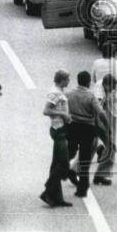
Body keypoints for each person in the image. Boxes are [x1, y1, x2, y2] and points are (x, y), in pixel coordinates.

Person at [66, 70, 108, 198]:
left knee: (70, 151)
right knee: (84, 159)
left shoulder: (70, 93)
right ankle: (82, 189)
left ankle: (63, 171)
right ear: (88, 82)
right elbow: (100, 113)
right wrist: (105, 125)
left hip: (73, 127)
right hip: (87, 129)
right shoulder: (90, 96)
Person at [41, 69, 74, 207]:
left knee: (56, 163)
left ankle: (56, 197)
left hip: (61, 129)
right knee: (64, 163)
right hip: (58, 129)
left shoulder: (59, 91)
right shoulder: (54, 92)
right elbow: (46, 110)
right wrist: (63, 114)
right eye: (67, 79)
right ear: (62, 79)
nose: (69, 81)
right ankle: (48, 190)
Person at [93, 73, 117, 186]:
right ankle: (100, 175)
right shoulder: (100, 95)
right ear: (107, 85)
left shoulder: (101, 84)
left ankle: (73, 170)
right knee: (111, 147)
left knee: (90, 148)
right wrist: (105, 128)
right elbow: (98, 112)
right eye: (111, 88)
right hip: (95, 122)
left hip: (94, 122)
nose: (112, 90)